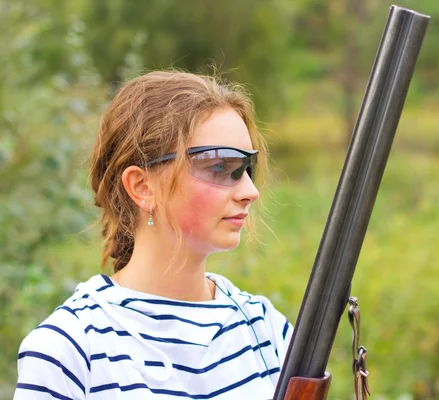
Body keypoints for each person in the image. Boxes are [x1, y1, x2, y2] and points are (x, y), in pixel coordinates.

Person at [15, 71, 293, 399]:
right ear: (143, 187)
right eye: (220, 166)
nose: (249, 191)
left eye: (247, 167)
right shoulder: (70, 350)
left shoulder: (266, 329)